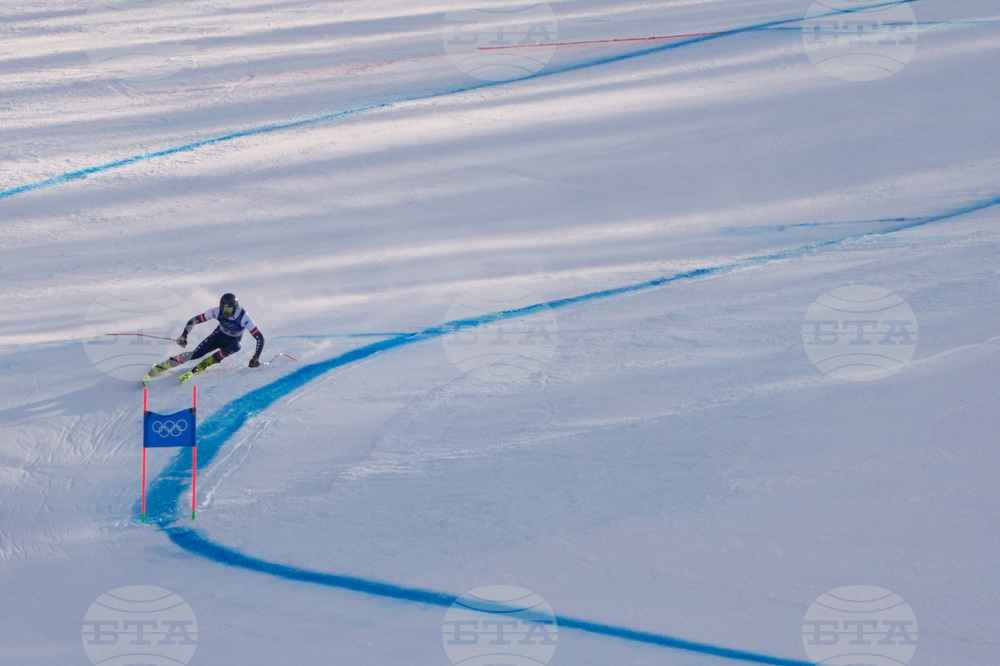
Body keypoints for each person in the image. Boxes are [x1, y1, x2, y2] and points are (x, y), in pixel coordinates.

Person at [144, 293, 264, 384]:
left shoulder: (244, 316)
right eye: (224, 309)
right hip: (218, 336)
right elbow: (194, 320)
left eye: (229, 310)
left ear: (235, 307)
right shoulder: (216, 311)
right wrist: (184, 335)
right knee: (195, 354)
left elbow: (259, 338)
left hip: (232, 341)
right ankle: (162, 366)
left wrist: (255, 357)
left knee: (237, 346)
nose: (226, 313)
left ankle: (206, 363)